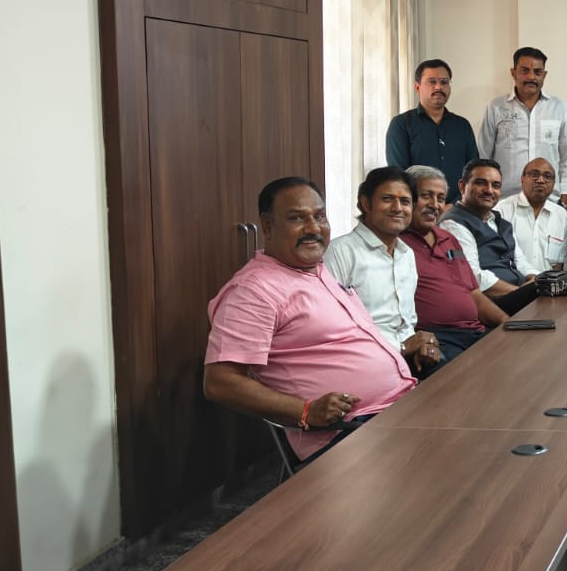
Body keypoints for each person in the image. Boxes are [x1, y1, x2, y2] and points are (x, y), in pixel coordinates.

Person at [202, 177, 415, 462]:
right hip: (349, 431)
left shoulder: (317, 271)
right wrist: (305, 410)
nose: (313, 228)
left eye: (319, 216)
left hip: (396, 408)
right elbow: (220, 382)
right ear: (267, 226)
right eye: (296, 218)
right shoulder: (254, 291)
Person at [324, 167, 443, 374]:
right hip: (364, 361)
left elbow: (407, 322)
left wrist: (422, 346)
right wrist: (401, 347)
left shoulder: (406, 254)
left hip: (407, 355)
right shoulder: (341, 252)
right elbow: (332, 325)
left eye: (405, 201)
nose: (397, 208)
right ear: (366, 203)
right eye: (387, 199)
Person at [401, 168, 512, 362]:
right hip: (435, 338)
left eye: (440, 198)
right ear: (407, 199)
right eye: (426, 196)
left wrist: (507, 323)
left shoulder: (448, 238)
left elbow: (473, 293)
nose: (434, 205)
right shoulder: (397, 244)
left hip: (474, 331)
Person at [478, 46, 567, 205]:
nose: (531, 77)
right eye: (524, 71)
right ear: (513, 73)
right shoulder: (496, 107)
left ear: (544, 75)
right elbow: (483, 157)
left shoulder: (560, 109)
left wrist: (563, 200)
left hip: (549, 201)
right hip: (505, 201)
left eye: (537, 72)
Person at [384, 59, 480, 182]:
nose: (439, 87)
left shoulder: (462, 126)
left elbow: (473, 171)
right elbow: (399, 175)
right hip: (416, 195)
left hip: (458, 195)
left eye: (444, 82)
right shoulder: (401, 125)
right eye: (432, 82)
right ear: (417, 87)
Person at [441, 159, 527, 286]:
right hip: (492, 296)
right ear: (462, 186)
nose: (489, 190)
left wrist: (537, 281)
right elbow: (473, 276)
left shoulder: (503, 224)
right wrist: (522, 292)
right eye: (481, 183)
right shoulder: (452, 224)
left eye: (496, 185)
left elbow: (522, 263)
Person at [496, 156, 567, 273]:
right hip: (511, 281)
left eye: (547, 176)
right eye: (534, 174)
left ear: (554, 183)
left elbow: (558, 265)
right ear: (522, 179)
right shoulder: (502, 210)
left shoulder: (562, 216)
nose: (541, 180)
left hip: (547, 282)